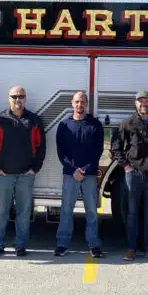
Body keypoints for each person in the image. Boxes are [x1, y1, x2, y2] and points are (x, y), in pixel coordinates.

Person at [0, 86, 46, 257]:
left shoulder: (34, 120)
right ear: (9, 98)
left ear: (25, 99)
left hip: (26, 175)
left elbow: (41, 147)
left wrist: (35, 169)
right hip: (4, 175)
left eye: (21, 96)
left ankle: (20, 245)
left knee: (24, 212)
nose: (18, 100)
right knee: (1, 211)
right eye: (14, 96)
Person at [109, 90, 148, 262]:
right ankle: (131, 249)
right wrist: (126, 166)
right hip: (133, 174)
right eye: (140, 101)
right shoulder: (128, 123)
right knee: (132, 212)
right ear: (136, 104)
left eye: (147, 101)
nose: (144, 104)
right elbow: (116, 147)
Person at [54, 91, 105, 258]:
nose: (79, 105)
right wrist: (73, 169)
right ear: (72, 103)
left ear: (87, 104)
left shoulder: (95, 125)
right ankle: (62, 244)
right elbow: (61, 152)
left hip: (88, 175)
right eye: (77, 102)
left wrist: (84, 169)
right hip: (70, 174)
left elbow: (98, 151)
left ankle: (94, 244)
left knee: (91, 211)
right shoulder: (64, 125)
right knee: (66, 210)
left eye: (82, 102)